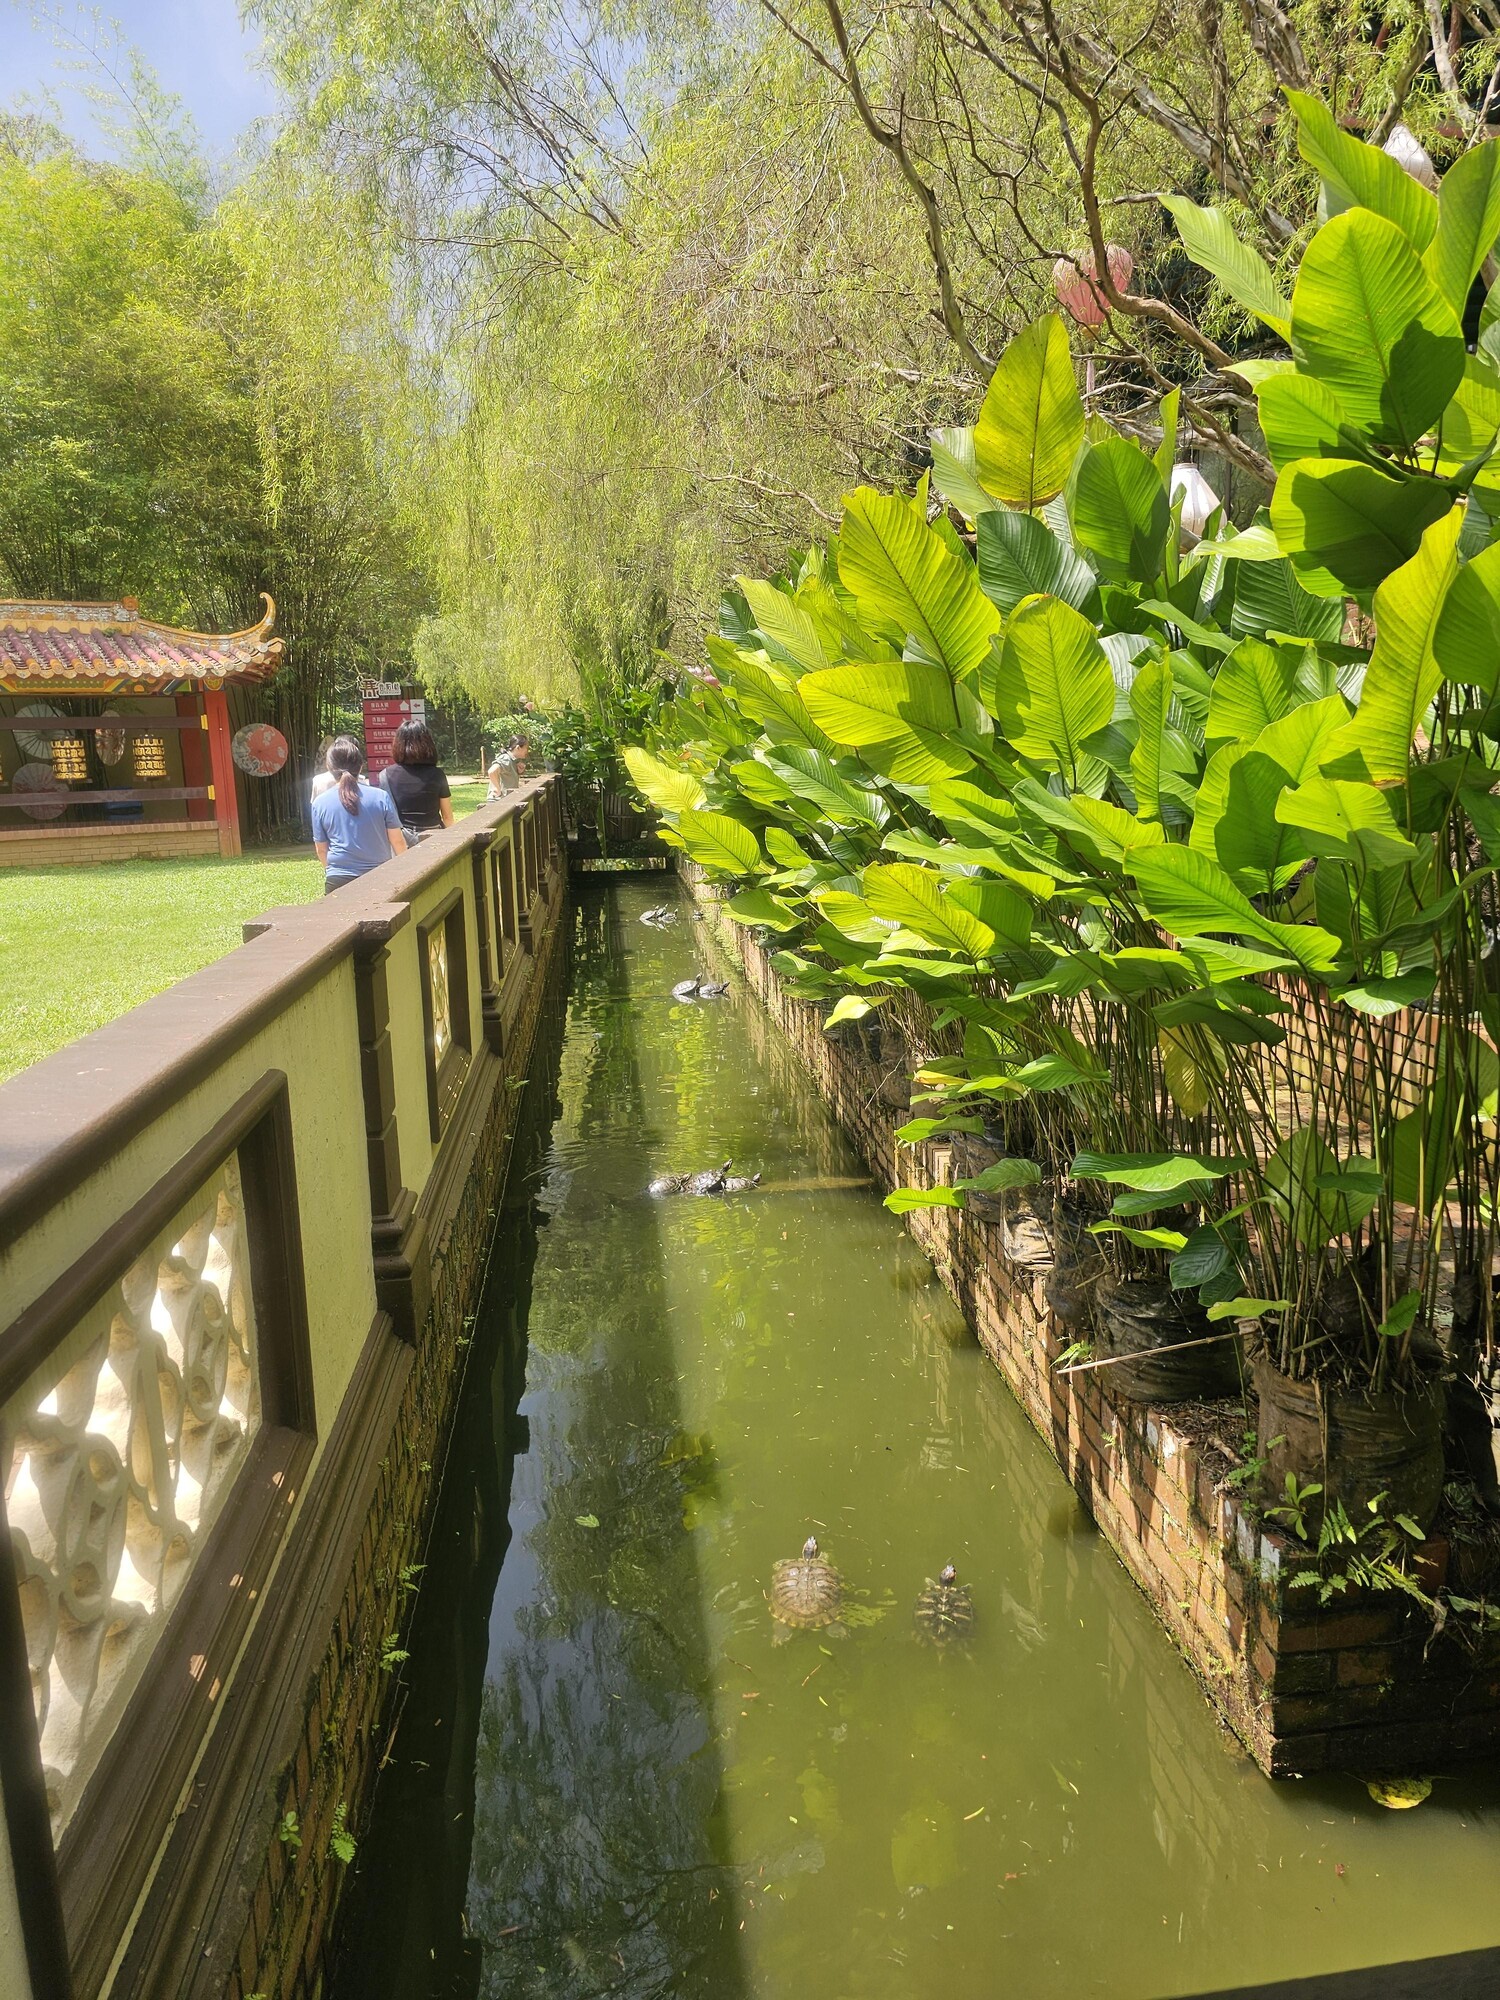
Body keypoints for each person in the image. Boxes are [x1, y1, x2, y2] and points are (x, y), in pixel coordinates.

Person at [311, 736, 407, 892]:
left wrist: (332, 871)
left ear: (329, 767)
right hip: (379, 877)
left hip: (337, 880)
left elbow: (321, 850)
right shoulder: (381, 797)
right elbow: (398, 842)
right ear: (361, 766)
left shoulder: (319, 803)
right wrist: (404, 872)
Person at [379, 719, 455, 840]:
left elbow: (385, 818)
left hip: (402, 841)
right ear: (428, 744)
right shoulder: (438, 775)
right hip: (433, 838)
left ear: (398, 744)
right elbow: (447, 817)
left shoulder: (385, 775)